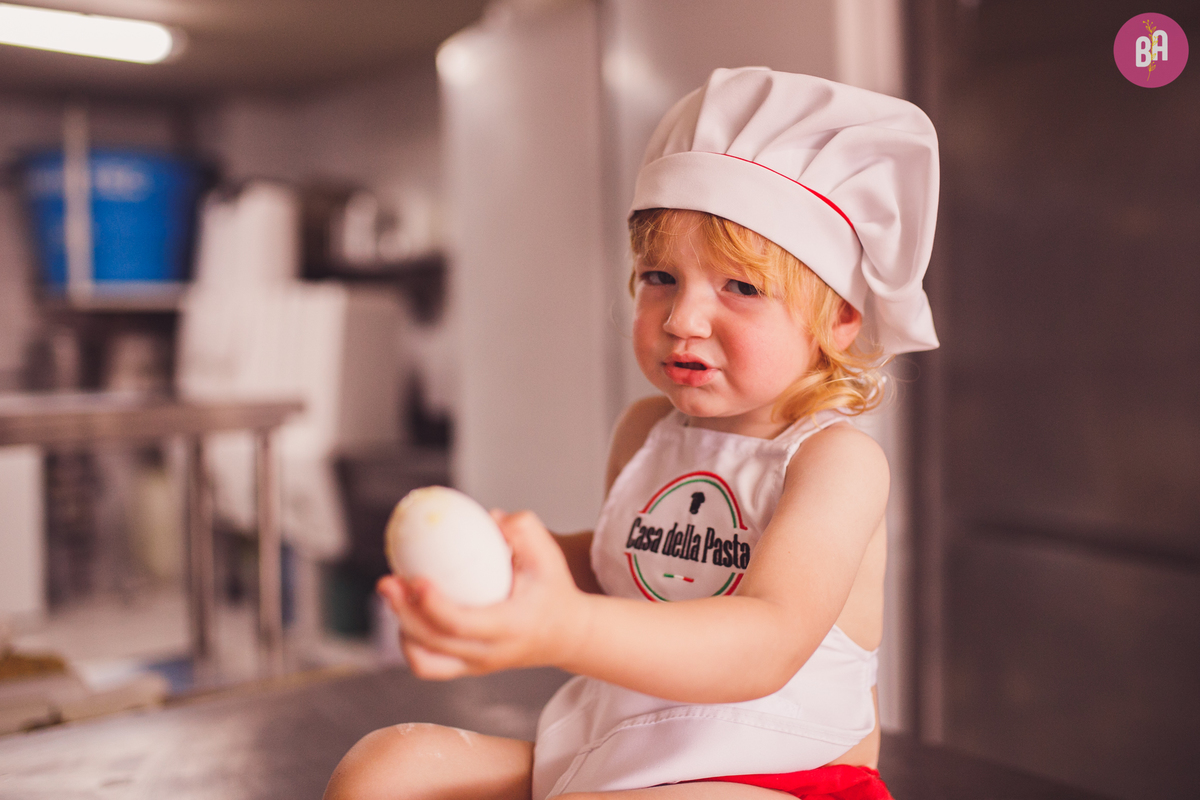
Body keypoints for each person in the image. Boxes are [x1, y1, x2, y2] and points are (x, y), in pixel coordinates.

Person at [324, 67, 939, 800]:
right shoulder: (647, 430)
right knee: (386, 769)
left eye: (741, 287)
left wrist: (568, 630)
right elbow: (625, 567)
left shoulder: (834, 461)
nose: (683, 318)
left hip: (779, 775)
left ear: (840, 319)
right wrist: (503, 566)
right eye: (660, 278)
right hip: (616, 757)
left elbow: (768, 640)